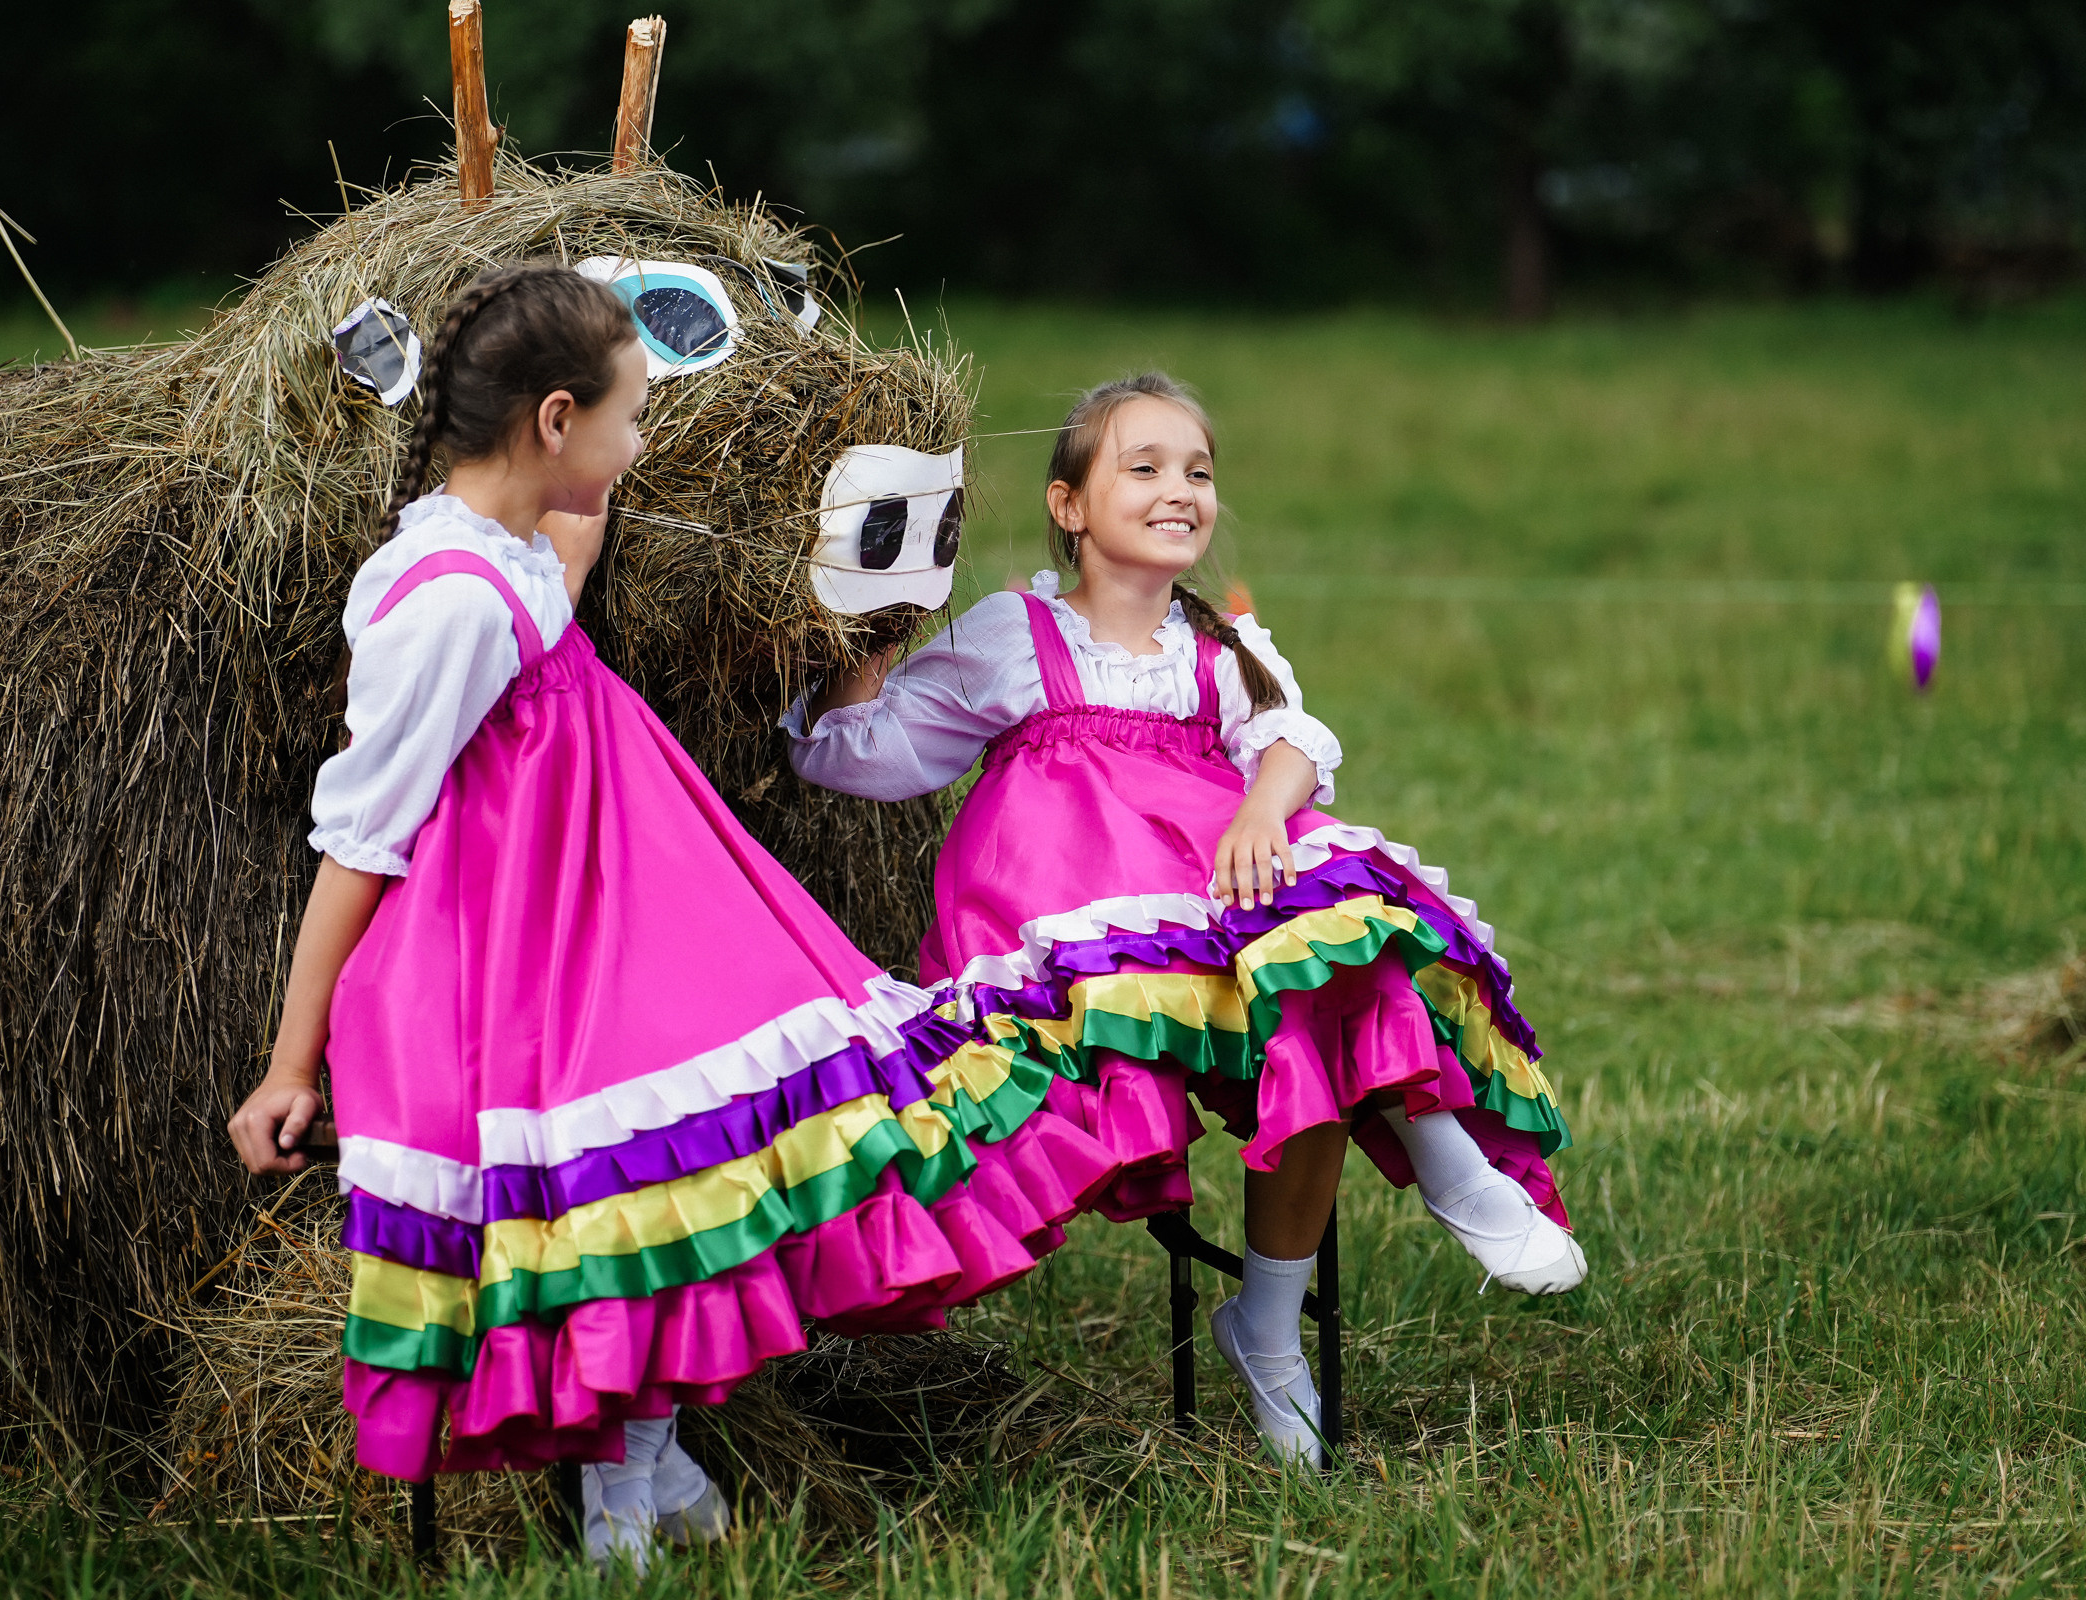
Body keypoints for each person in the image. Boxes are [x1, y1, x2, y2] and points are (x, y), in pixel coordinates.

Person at [226, 265, 1115, 1566]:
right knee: (620, 1192)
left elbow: (540, 594)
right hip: (537, 943)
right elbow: (360, 838)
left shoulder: (508, 551)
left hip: (633, 890)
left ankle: (646, 1449)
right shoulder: (448, 604)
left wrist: (567, 540)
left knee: (701, 1158)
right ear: (551, 422)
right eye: (629, 417)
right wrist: (293, 1063)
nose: (639, 446)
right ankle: (613, 1491)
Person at [785, 372, 1584, 1469]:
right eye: (1145, 467)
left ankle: (1280, 1312)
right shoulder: (1017, 635)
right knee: (1305, 967)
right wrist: (858, 652)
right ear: (1069, 505)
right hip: (1068, 915)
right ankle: (1442, 1172)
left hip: (1212, 900)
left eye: (1198, 472)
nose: (1181, 490)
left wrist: (1261, 805)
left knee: (1328, 966)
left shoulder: (1222, 649)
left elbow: (1295, 740)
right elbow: (862, 755)